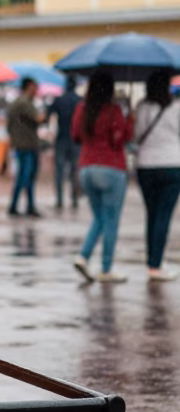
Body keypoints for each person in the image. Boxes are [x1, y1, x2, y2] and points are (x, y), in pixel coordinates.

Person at [72, 70, 133, 283]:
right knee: (111, 220)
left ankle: (83, 256)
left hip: (86, 168)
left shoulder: (82, 109)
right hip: (111, 168)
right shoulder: (113, 110)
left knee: (99, 217)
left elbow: (75, 135)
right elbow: (121, 138)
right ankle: (106, 268)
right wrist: (129, 119)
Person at [134, 69, 180, 282]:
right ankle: (156, 264)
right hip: (171, 164)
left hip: (145, 165)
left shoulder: (141, 108)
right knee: (163, 216)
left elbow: (135, 136)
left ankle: (152, 261)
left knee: (151, 215)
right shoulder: (177, 107)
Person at [7, 78, 44, 217]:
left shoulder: (17, 102)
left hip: (22, 143)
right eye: (35, 87)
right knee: (26, 176)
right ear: (29, 87)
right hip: (27, 144)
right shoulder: (25, 103)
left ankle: (24, 205)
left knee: (24, 176)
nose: (37, 90)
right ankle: (20, 205)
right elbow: (37, 119)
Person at [49, 75, 82, 209]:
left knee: (59, 171)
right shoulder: (79, 101)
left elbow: (48, 115)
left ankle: (59, 199)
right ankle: (74, 199)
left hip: (61, 138)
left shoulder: (59, 100)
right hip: (75, 140)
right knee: (74, 170)